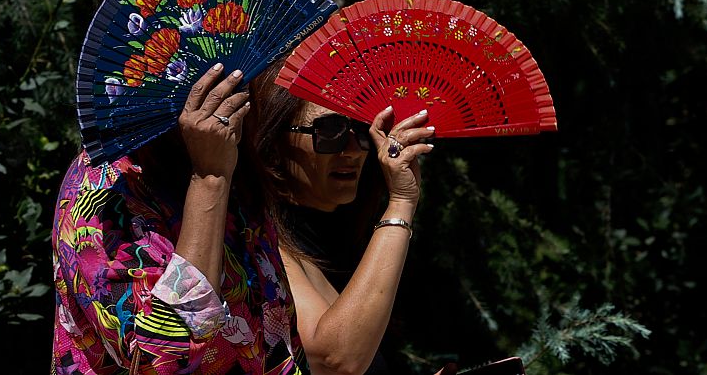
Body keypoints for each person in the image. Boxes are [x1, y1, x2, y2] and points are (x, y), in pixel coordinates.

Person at [52, 64, 309, 374]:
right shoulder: (105, 185)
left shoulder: (234, 170)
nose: (231, 100)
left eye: (239, 82)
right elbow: (160, 359)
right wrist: (209, 179)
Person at [248, 68, 454, 375]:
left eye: (361, 128)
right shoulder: (263, 244)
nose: (355, 150)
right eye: (330, 131)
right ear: (274, 146)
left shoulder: (351, 243)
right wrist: (401, 204)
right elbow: (335, 361)